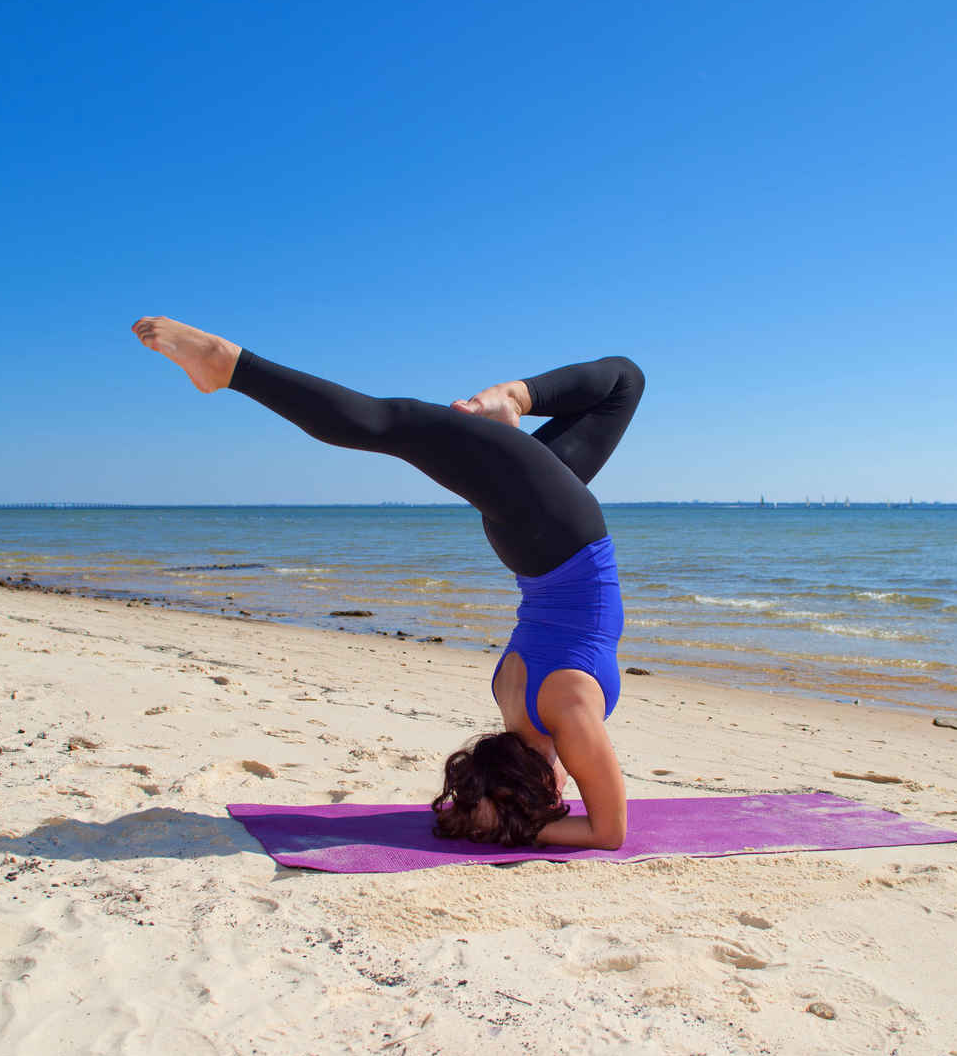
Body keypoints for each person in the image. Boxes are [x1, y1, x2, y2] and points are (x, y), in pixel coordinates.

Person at [132, 317, 645, 849]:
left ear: (538, 784)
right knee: (623, 384)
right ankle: (508, 404)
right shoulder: (516, 703)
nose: (568, 794)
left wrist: (521, 829)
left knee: (391, 423)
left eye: (556, 797)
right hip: (533, 542)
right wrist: (504, 816)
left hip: (560, 535)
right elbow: (594, 820)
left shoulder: (567, 715)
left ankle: (227, 365)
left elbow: (607, 832)